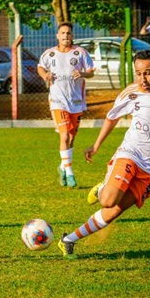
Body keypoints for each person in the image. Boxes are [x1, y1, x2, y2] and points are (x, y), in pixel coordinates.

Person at [56, 50, 150, 258]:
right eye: (139, 73)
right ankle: (103, 189)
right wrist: (96, 146)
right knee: (108, 200)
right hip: (130, 153)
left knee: (115, 210)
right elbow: (112, 118)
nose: (143, 78)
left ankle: (68, 240)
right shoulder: (131, 93)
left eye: (148, 72)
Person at [37, 21, 95, 188]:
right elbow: (40, 67)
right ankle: (70, 173)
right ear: (57, 35)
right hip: (57, 101)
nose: (65, 36)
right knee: (64, 136)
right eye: (62, 33)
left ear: (72, 36)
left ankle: (63, 166)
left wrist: (82, 73)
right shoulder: (50, 54)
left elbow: (90, 72)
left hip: (76, 102)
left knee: (71, 138)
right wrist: (44, 75)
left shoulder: (80, 53)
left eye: (68, 33)